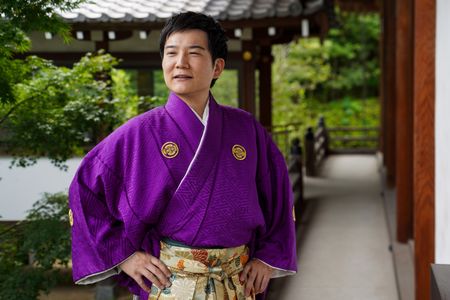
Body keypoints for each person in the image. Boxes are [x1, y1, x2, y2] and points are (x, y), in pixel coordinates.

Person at [69, 11, 297, 300]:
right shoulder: (140, 132)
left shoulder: (246, 128)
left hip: (237, 283)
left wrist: (267, 257)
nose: (180, 63)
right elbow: (85, 188)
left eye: (194, 52)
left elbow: (278, 194)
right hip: (172, 285)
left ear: (217, 67)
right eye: (171, 53)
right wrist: (125, 257)